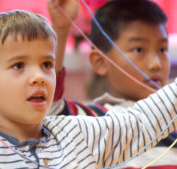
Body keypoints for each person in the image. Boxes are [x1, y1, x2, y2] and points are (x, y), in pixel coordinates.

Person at [0, 6, 177, 169]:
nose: (40, 77)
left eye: (46, 64)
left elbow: (141, 122)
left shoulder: (77, 132)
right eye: (19, 66)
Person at [51, 0, 177, 168]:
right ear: (101, 62)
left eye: (162, 50)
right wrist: (61, 29)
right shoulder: (93, 119)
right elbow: (50, 108)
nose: (156, 64)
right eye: (138, 49)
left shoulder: (172, 119)